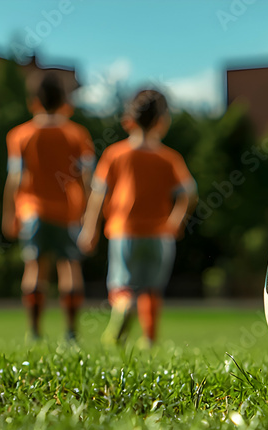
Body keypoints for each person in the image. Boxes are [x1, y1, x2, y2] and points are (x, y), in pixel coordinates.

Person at [77, 89, 197, 348]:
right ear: (162, 121)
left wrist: (89, 229)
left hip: (124, 232)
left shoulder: (115, 154)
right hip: (160, 235)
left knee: (123, 286)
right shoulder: (169, 158)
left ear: (129, 119)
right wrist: (177, 221)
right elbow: (188, 194)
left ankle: (122, 313)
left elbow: (98, 196)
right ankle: (150, 339)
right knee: (151, 289)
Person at [2, 71, 95, 341]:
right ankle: (71, 332)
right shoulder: (77, 134)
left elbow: (15, 178)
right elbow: (86, 179)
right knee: (69, 267)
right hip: (68, 211)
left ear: (34, 102)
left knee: (34, 268)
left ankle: (34, 331)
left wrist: (9, 213)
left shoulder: (20, 135)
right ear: (65, 102)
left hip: (33, 211)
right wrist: (90, 216)